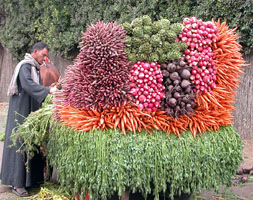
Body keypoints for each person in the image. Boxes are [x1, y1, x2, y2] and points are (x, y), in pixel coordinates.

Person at [0, 42, 57, 197]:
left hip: (30, 111)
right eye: (43, 55)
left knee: (32, 143)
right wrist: (48, 90)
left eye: (46, 55)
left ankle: (32, 180)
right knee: (20, 144)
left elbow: (36, 86)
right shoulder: (24, 66)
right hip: (20, 112)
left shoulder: (35, 68)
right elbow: (28, 85)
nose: (45, 58)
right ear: (35, 51)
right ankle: (17, 184)